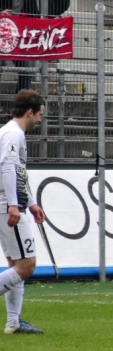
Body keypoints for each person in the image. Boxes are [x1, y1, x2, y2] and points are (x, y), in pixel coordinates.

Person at [0, 90, 46, 334]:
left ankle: (14, 322)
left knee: (15, 264)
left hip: (7, 202)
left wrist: (32, 203)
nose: (40, 120)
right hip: (5, 204)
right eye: (39, 115)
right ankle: (14, 321)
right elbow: (8, 169)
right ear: (30, 112)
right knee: (27, 266)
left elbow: (19, 173)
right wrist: (14, 205)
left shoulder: (10, 133)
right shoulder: (13, 135)